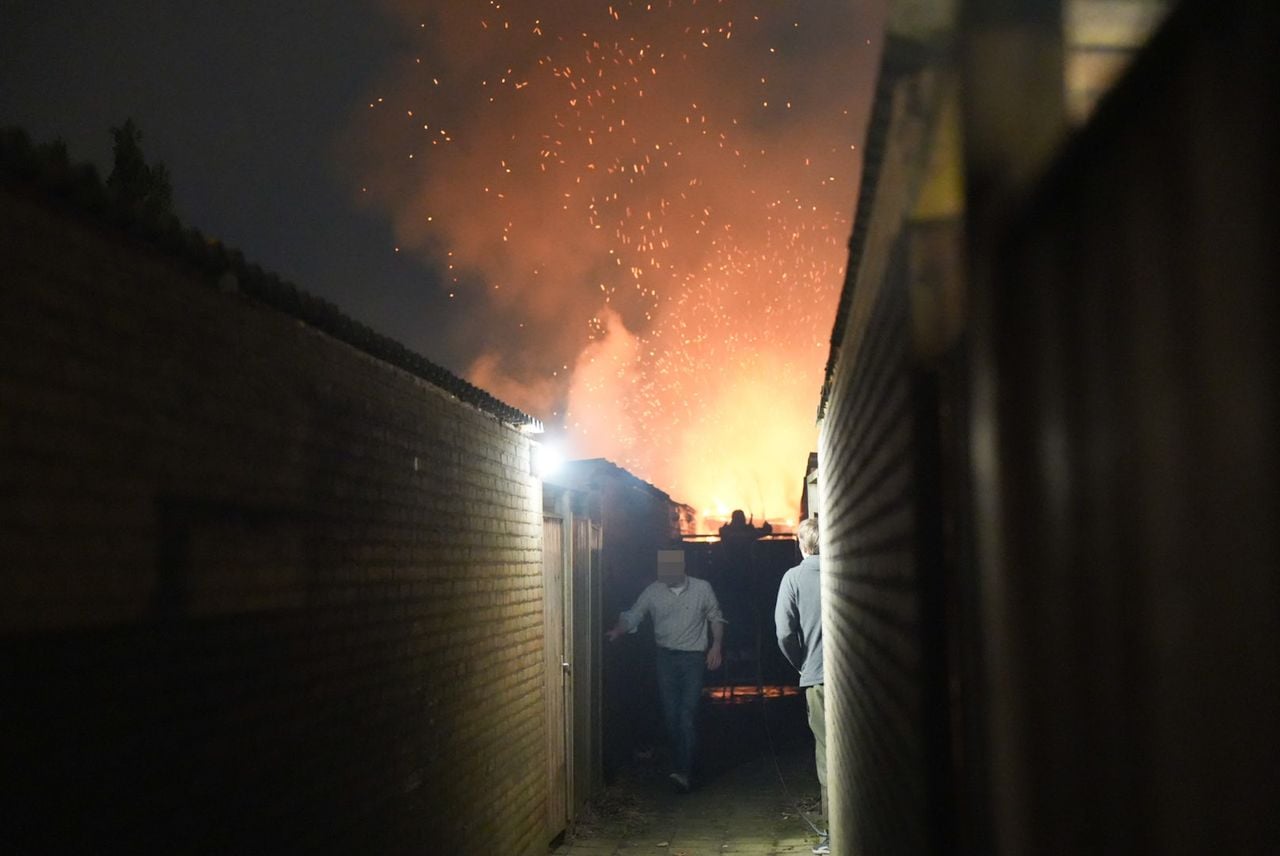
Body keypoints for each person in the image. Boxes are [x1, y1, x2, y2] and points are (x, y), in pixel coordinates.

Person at [606, 549, 726, 792]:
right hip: (666, 659)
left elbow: (715, 617)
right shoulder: (654, 591)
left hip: (692, 658)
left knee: (686, 715)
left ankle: (685, 771)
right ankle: (683, 763)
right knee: (672, 716)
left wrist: (716, 645)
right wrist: (618, 630)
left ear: (682, 568)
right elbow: (634, 614)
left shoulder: (702, 589)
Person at [774, 517, 828, 855]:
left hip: (818, 678)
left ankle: (835, 834)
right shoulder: (849, 570)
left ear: (801, 544)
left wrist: (802, 663)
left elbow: (783, 632)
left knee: (828, 755)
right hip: (857, 679)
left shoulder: (793, 578)